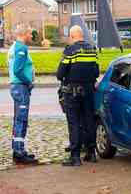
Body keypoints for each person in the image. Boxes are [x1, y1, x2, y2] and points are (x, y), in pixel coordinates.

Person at [56, 25, 99, 166]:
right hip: (89, 90)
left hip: (73, 91)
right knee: (89, 121)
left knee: (74, 122)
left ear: (72, 36)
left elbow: (60, 74)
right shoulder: (93, 50)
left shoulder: (70, 51)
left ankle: (75, 157)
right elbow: (96, 71)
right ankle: (91, 153)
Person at [8, 24, 37, 164]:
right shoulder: (21, 48)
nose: (31, 36)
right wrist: (29, 82)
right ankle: (19, 152)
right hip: (21, 88)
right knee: (21, 120)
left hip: (16, 88)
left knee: (18, 119)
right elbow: (18, 70)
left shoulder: (14, 47)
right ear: (24, 33)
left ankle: (17, 150)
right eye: (30, 33)